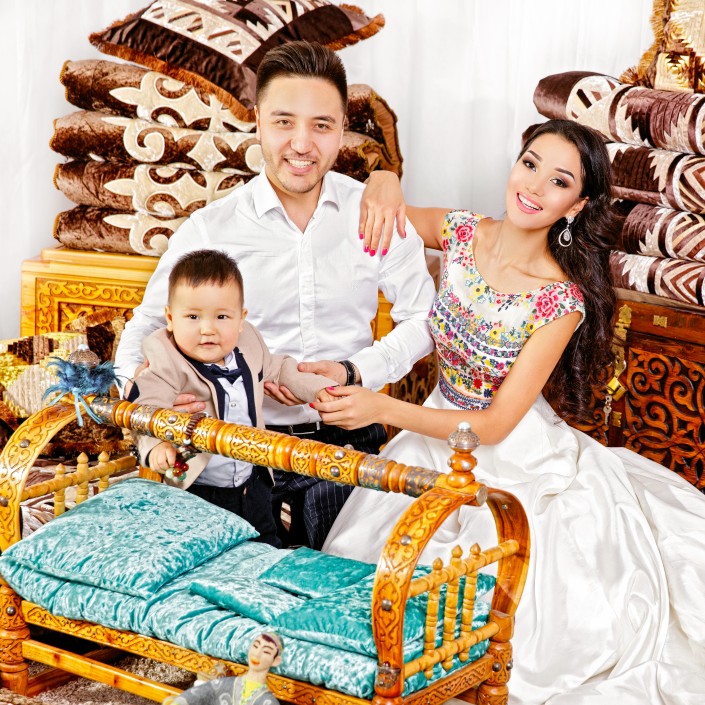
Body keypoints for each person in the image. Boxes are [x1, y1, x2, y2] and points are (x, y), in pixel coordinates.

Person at [317, 120, 705, 705]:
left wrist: (382, 407)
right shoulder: (460, 231)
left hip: (509, 454)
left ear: (577, 206)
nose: (534, 186)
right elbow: (386, 210)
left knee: (493, 606)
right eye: (530, 164)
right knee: (361, 589)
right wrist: (384, 177)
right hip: (433, 432)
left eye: (559, 181)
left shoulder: (560, 300)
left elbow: (495, 426)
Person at [115, 41, 436, 550]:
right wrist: (144, 400)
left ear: (342, 129)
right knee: (236, 583)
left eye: (321, 125)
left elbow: (423, 318)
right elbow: (147, 324)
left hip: (351, 446)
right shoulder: (211, 228)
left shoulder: (373, 212)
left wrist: (355, 372)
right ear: (259, 122)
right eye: (284, 122)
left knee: (348, 582)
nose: (301, 144)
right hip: (236, 450)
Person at [128, 249, 337, 547]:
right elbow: (146, 406)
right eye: (193, 317)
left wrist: (319, 389)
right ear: (170, 318)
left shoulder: (248, 343)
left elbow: (279, 370)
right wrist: (157, 445)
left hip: (253, 481)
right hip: (200, 487)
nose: (208, 329)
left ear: (241, 319)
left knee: (264, 541)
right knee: (206, 551)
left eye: (222, 316)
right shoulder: (165, 358)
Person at [163, 632, 282, 705]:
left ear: (276, 661)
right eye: (255, 646)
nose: (257, 654)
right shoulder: (228, 684)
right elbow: (200, 693)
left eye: (266, 651)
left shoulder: (266, 700)